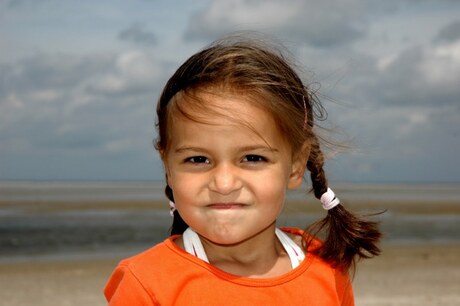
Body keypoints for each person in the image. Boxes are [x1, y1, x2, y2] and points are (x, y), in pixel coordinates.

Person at [104, 34, 381, 305]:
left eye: (252, 158)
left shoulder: (328, 269)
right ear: (168, 168)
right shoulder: (146, 284)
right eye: (198, 160)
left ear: (296, 165)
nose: (224, 184)